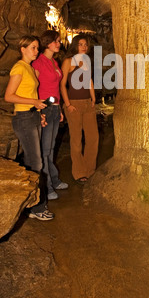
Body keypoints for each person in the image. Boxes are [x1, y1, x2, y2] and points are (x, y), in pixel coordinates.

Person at [4, 35, 54, 221]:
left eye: (37, 48)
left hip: (32, 115)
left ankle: (28, 204)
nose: (36, 51)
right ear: (22, 49)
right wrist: (33, 102)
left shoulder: (30, 69)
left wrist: (38, 111)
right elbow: (9, 96)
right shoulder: (19, 67)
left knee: (32, 160)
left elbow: (30, 92)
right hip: (23, 118)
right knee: (36, 163)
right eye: (33, 47)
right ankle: (36, 207)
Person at [32, 30, 68, 200]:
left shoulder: (54, 62)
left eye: (59, 41)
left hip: (53, 108)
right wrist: (38, 111)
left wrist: (59, 108)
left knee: (51, 147)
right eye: (56, 41)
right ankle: (47, 187)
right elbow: (33, 87)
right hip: (44, 108)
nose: (58, 44)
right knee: (45, 150)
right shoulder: (38, 63)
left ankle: (53, 179)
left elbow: (57, 88)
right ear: (47, 43)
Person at [60, 34, 99, 185]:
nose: (84, 47)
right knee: (76, 140)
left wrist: (93, 97)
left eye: (86, 45)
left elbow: (89, 80)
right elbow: (62, 84)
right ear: (75, 46)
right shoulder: (68, 61)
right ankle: (79, 172)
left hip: (87, 103)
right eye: (81, 44)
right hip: (74, 104)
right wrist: (68, 104)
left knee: (93, 138)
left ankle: (90, 170)